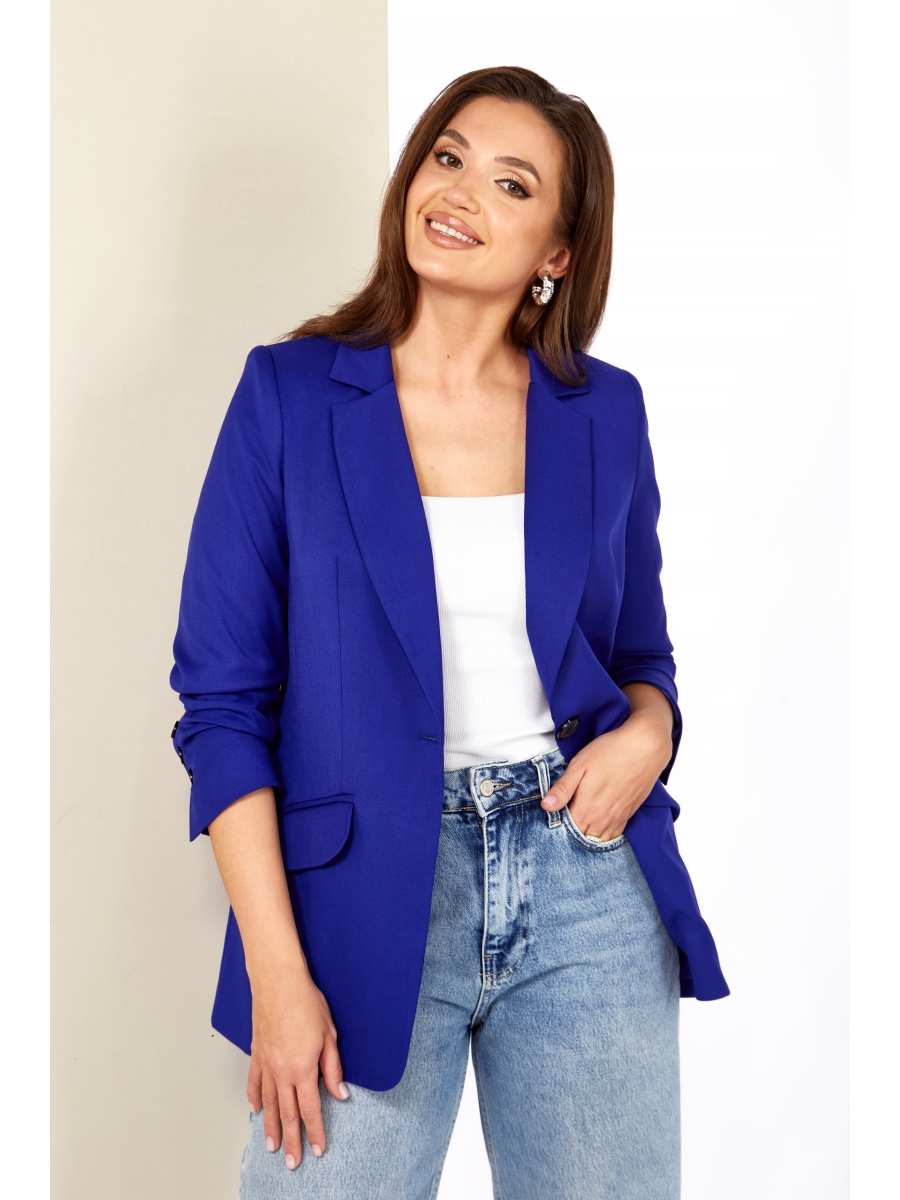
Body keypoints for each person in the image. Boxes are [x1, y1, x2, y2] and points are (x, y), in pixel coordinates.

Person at [170, 65, 728, 1200]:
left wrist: (651, 733)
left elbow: (640, 658)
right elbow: (221, 707)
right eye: (448, 156)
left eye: (511, 183)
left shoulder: (604, 410)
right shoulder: (289, 395)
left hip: (584, 879)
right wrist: (277, 973)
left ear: (557, 252)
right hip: (355, 899)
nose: (461, 192)